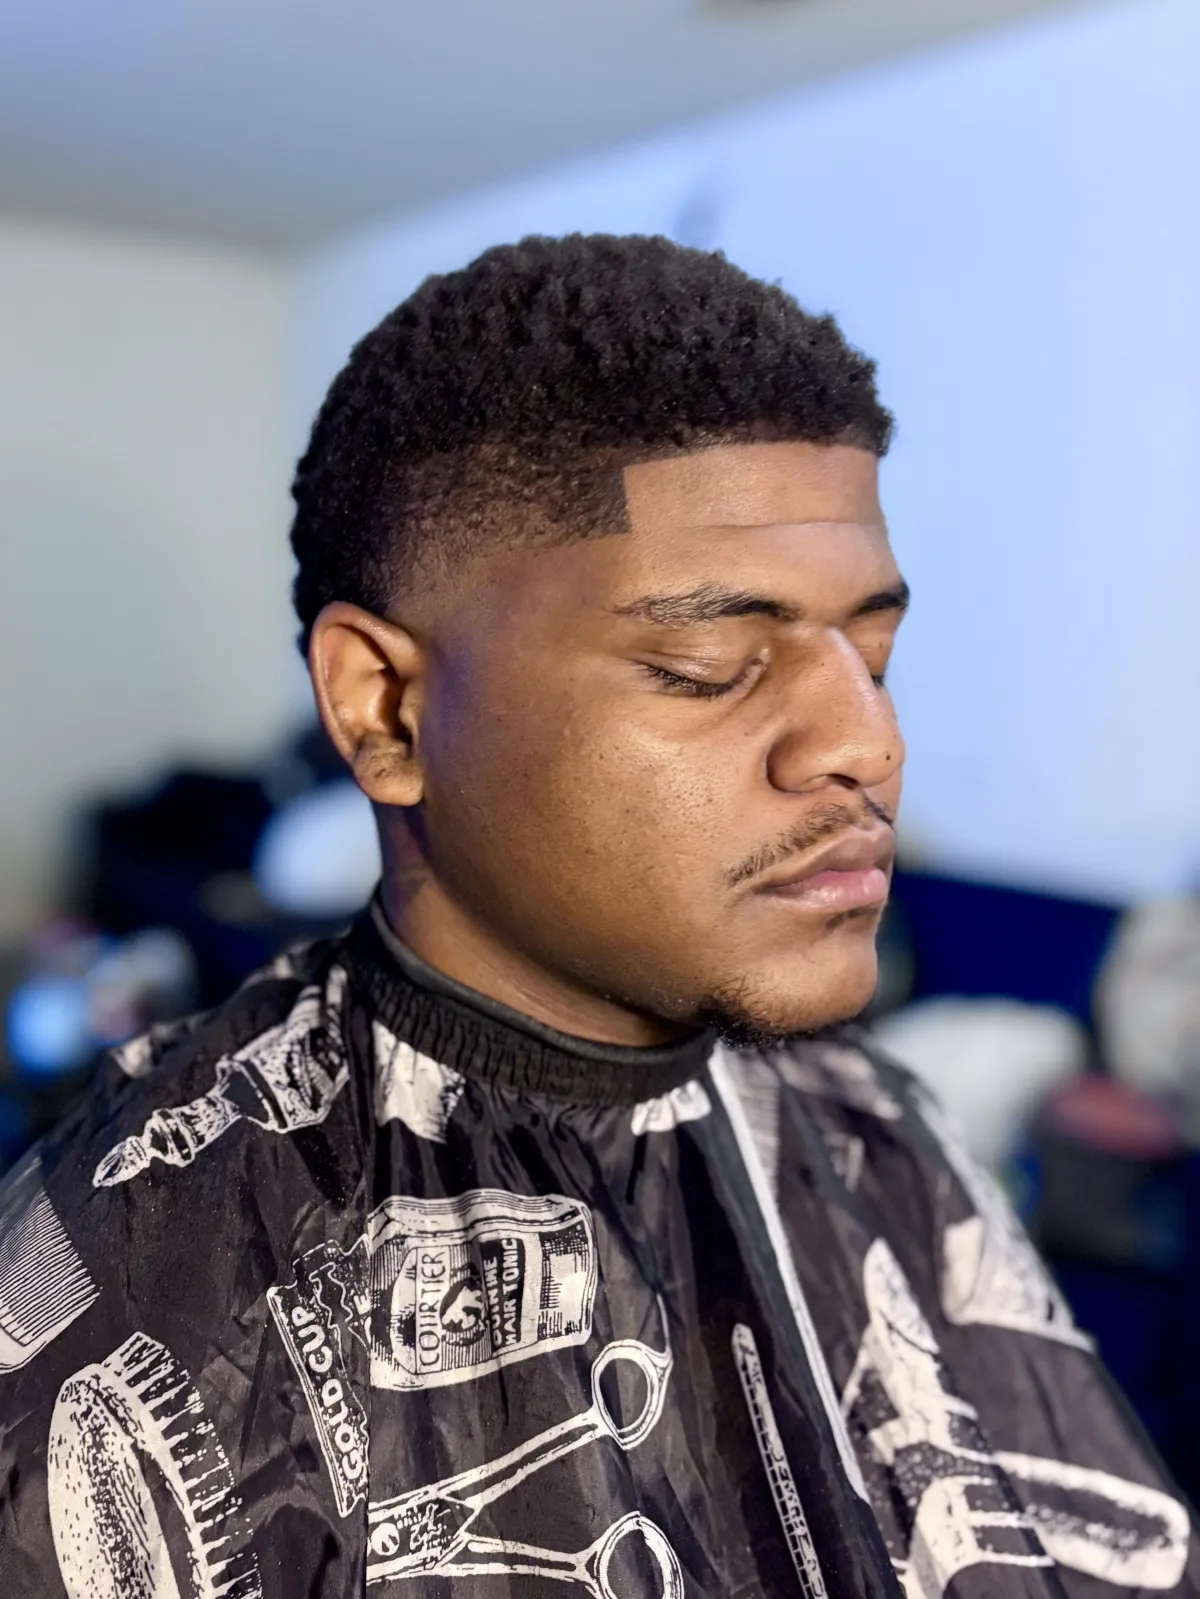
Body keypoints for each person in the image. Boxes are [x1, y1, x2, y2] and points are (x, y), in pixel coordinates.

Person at [0, 235, 1193, 1599]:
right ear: (384, 710)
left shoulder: (880, 1121)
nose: (870, 742)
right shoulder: (140, 1287)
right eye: (707, 664)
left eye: (872, 651)